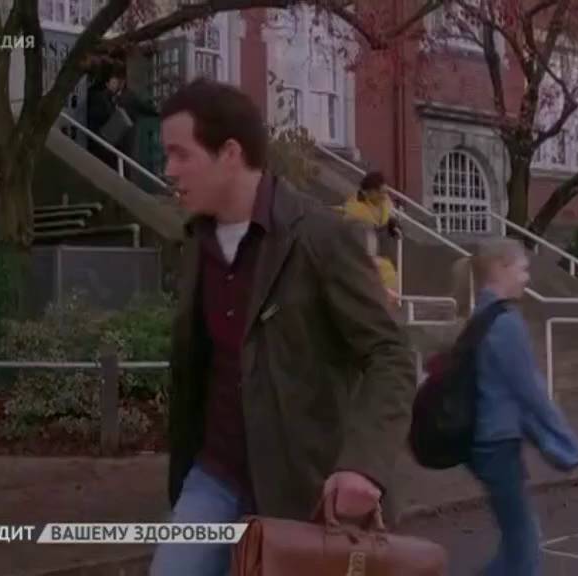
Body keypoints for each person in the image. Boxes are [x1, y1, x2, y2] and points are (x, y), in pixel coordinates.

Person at [151, 79, 415, 576]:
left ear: (230, 153)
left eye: (181, 154)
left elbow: (391, 354)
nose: (169, 170)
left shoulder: (320, 237)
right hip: (215, 474)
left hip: (304, 485)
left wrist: (363, 464)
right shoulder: (196, 243)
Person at [451, 238, 578, 576]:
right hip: (495, 443)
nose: (527, 277)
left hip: (484, 441)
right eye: (522, 269)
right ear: (501, 268)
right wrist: (567, 442)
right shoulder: (505, 322)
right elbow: (530, 391)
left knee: (518, 541)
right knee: (524, 547)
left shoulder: (481, 316)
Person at [340, 171, 403, 308]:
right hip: (357, 252)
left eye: (385, 192)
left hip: (375, 250)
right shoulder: (356, 210)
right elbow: (356, 241)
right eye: (380, 192)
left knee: (387, 270)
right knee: (379, 270)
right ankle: (381, 302)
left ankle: (389, 303)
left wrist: (392, 222)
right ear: (369, 192)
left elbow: (389, 213)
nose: (383, 195)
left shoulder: (383, 202)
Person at [86, 63, 157, 170]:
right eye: (114, 80)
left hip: (123, 140)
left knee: (123, 164)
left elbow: (146, 108)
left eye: (117, 80)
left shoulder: (128, 96)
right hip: (105, 141)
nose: (117, 83)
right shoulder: (102, 97)